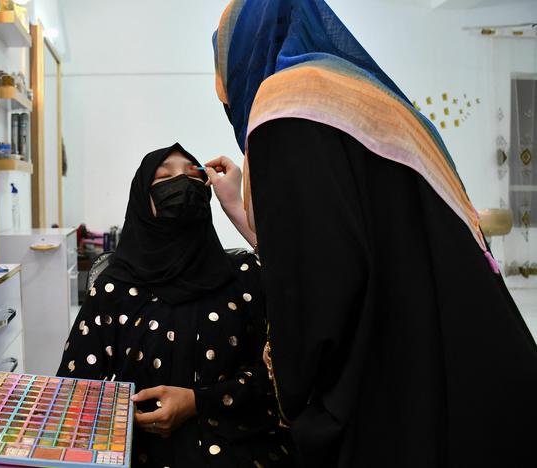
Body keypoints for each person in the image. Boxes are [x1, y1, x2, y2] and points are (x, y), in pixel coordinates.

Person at [209, 1, 537, 467]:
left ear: (242, 54)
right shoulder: (357, 94)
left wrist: (298, 405)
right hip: (475, 370)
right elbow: (357, 241)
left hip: (399, 401)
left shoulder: (279, 111)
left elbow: (316, 302)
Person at [57, 143, 294, 468]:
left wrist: (198, 402)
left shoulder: (244, 277)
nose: (181, 181)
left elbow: (279, 375)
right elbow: (75, 394)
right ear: (142, 199)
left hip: (240, 448)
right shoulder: (114, 287)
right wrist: (129, 413)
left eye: (192, 174)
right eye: (164, 177)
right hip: (139, 452)